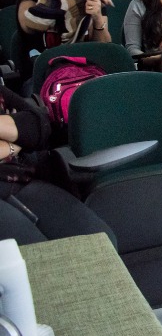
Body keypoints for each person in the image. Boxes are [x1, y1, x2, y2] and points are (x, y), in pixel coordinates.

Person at [0, 85, 115, 245]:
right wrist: (16, 138)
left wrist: (9, 145)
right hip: (10, 179)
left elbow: (39, 124)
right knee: (36, 261)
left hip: (20, 179)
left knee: (100, 242)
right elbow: (27, 132)